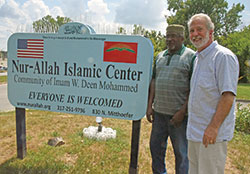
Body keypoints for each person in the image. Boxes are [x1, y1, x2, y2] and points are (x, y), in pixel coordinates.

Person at [187, 13, 239, 174]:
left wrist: (213, 127)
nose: (195, 34)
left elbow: (228, 95)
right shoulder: (198, 59)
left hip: (211, 135)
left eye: (199, 29)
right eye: (192, 30)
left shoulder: (222, 57)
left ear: (211, 31)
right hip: (194, 133)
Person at [146, 24, 195, 174]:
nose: (170, 39)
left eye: (173, 36)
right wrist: (149, 106)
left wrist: (182, 111)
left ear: (182, 38)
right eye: (168, 36)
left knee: (181, 153)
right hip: (159, 114)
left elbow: (194, 87)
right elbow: (154, 80)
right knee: (156, 149)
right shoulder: (160, 56)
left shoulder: (191, 57)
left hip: (179, 117)